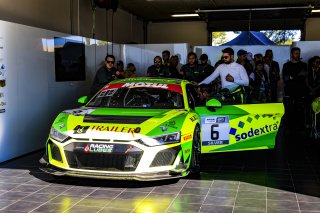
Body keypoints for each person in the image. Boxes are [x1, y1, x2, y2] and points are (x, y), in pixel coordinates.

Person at [282, 47, 308, 130]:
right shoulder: (286, 65)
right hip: (289, 92)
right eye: (296, 53)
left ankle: (300, 129)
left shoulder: (303, 65)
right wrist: (298, 75)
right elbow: (285, 78)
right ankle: (289, 129)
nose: (298, 55)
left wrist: (292, 77)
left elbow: (305, 76)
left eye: (299, 53)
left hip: (301, 92)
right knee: (289, 111)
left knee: (300, 111)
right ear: (292, 54)